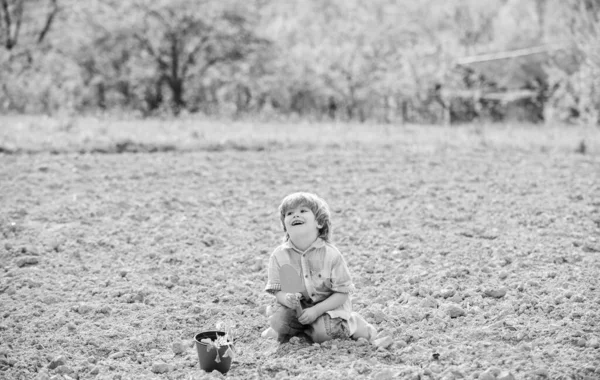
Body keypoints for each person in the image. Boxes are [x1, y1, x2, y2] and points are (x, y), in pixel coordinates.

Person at [263, 192, 377, 344]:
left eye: (303, 211)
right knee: (279, 321)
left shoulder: (331, 255)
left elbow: (342, 293)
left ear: (319, 223)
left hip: (328, 309)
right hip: (298, 310)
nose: (296, 215)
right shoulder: (279, 256)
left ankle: (355, 324)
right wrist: (286, 298)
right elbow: (277, 290)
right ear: (285, 225)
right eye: (290, 213)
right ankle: (287, 329)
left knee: (326, 334)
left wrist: (316, 310)